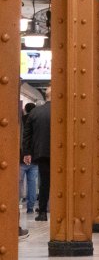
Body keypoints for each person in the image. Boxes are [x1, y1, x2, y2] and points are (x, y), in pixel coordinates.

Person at [23, 91, 51, 221]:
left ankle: (43, 212)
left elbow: (27, 135)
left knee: (44, 182)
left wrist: (27, 153)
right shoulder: (66, 110)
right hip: (62, 154)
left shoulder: (35, 112)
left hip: (42, 152)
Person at [20, 102, 38, 214]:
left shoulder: (21, 120)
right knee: (32, 183)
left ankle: (16, 203)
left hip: (21, 157)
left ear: (25, 110)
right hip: (35, 158)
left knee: (18, 182)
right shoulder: (37, 121)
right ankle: (30, 208)